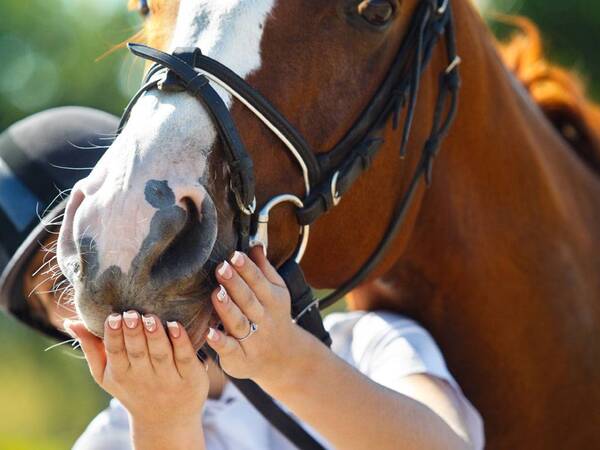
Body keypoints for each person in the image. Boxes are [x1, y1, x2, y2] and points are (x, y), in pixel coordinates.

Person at [0, 108, 484, 450]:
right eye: (62, 285)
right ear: (57, 327)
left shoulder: (367, 345)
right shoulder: (108, 443)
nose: (121, 280)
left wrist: (287, 361)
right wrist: (163, 425)